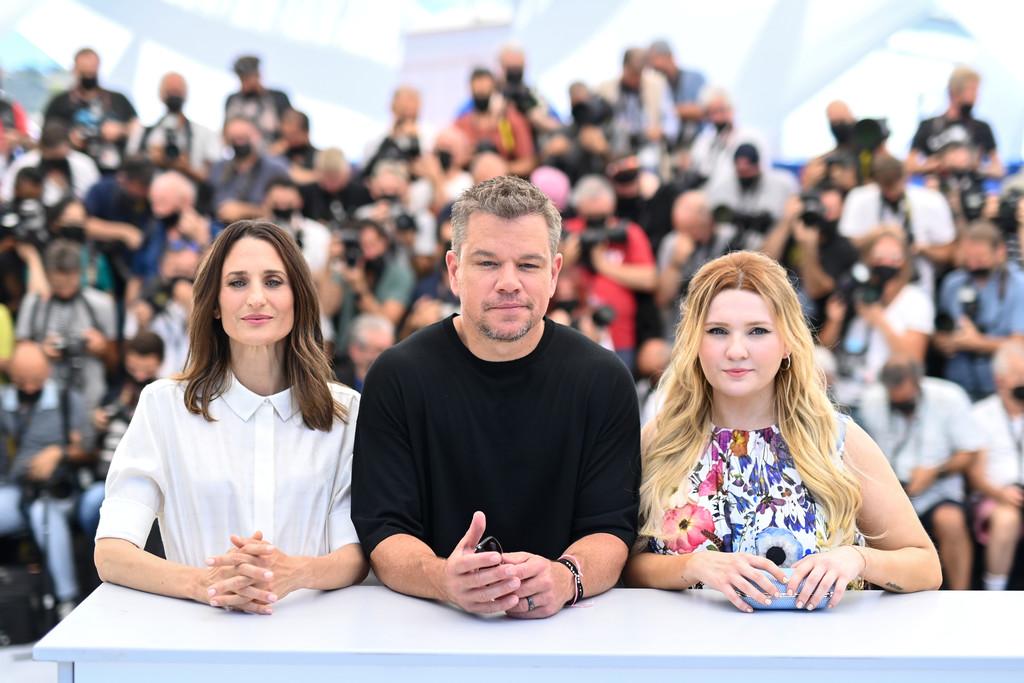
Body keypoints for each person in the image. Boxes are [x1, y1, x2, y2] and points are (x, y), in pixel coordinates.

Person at [352, 175, 639, 619]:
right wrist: (442, 577)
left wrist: (564, 579)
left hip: (568, 633)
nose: (509, 283)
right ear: (453, 271)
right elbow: (383, 530)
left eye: (528, 265)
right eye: (487, 264)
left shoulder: (603, 379)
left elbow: (610, 529)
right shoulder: (398, 376)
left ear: (554, 273)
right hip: (427, 628)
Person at [624, 251, 941, 611]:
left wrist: (858, 559)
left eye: (758, 331)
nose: (736, 350)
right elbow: (626, 565)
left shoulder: (836, 440)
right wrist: (691, 566)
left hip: (814, 659)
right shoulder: (661, 439)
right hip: (694, 656)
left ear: (787, 341)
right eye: (717, 331)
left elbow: (926, 566)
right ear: (695, 343)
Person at [94, 220, 367, 614]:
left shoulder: (345, 411)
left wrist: (294, 573)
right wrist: (205, 584)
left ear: (298, 298)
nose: (256, 298)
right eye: (238, 283)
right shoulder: (162, 405)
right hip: (196, 644)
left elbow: (355, 555)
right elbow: (112, 552)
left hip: (311, 643)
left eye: (273, 281)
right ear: (215, 305)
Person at [859, 356, 980, 590]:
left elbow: (970, 452)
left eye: (905, 396)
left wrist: (935, 471)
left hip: (937, 488)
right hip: (892, 489)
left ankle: (960, 593)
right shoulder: (872, 401)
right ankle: (883, 596)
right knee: (869, 527)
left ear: (918, 382)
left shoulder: (949, 398)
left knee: (950, 521)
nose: (900, 401)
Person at [0, 341, 94, 618]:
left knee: (46, 516)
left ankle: (66, 600)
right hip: (17, 488)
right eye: (20, 381)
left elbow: (89, 449)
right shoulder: (5, 402)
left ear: (48, 372)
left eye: (35, 381)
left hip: (59, 491)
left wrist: (59, 452)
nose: (28, 388)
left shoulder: (67, 399)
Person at [819, 228, 933, 412]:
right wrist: (835, 320)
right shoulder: (857, 292)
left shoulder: (915, 300)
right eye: (880, 257)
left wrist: (879, 320)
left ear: (904, 262)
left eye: (893, 257)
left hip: (882, 393)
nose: (886, 263)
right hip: (842, 388)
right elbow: (824, 348)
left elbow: (913, 359)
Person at [934, 222, 1024, 400]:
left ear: (1000, 252)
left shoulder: (1018, 285)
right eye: (969, 258)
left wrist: (977, 342)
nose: (974, 264)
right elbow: (939, 332)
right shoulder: (952, 283)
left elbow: (1019, 344)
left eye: (980, 257)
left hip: (1000, 389)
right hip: (958, 386)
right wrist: (945, 343)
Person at [969, 341, 1024, 590]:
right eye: (1018, 375)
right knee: (1006, 519)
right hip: (997, 495)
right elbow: (975, 474)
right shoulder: (981, 414)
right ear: (1000, 380)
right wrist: (1000, 493)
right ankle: (995, 590)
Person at [42, 48, 138, 174]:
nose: (89, 74)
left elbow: (137, 126)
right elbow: (46, 136)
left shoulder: (118, 99)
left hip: (114, 170)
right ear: (75, 70)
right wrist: (68, 139)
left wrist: (121, 130)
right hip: (73, 170)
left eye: (92, 69)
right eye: (84, 70)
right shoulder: (59, 102)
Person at [907, 65, 1002, 179]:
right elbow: (909, 165)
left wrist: (976, 166)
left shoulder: (981, 127)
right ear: (954, 92)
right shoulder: (928, 126)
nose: (976, 96)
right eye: (972, 90)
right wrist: (938, 163)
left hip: (971, 191)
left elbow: (999, 170)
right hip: (937, 190)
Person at [128, 72, 221, 183]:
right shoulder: (142, 132)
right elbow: (129, 165)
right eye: (170, 91)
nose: (174, 96)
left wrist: (187, 168)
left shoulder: (204, 133)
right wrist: (149, 158)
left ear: (186, 94)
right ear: (161, 94)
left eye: (178, 91)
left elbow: (213, 176)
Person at [223, 55, 292, 145]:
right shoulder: (233, 100)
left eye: (247, 78)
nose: (244, 83)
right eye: (241, 78)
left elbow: (292, 129)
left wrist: (279, 147)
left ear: (257, 75)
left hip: (271, 152)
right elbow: (226, 132)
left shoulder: (278, 97)